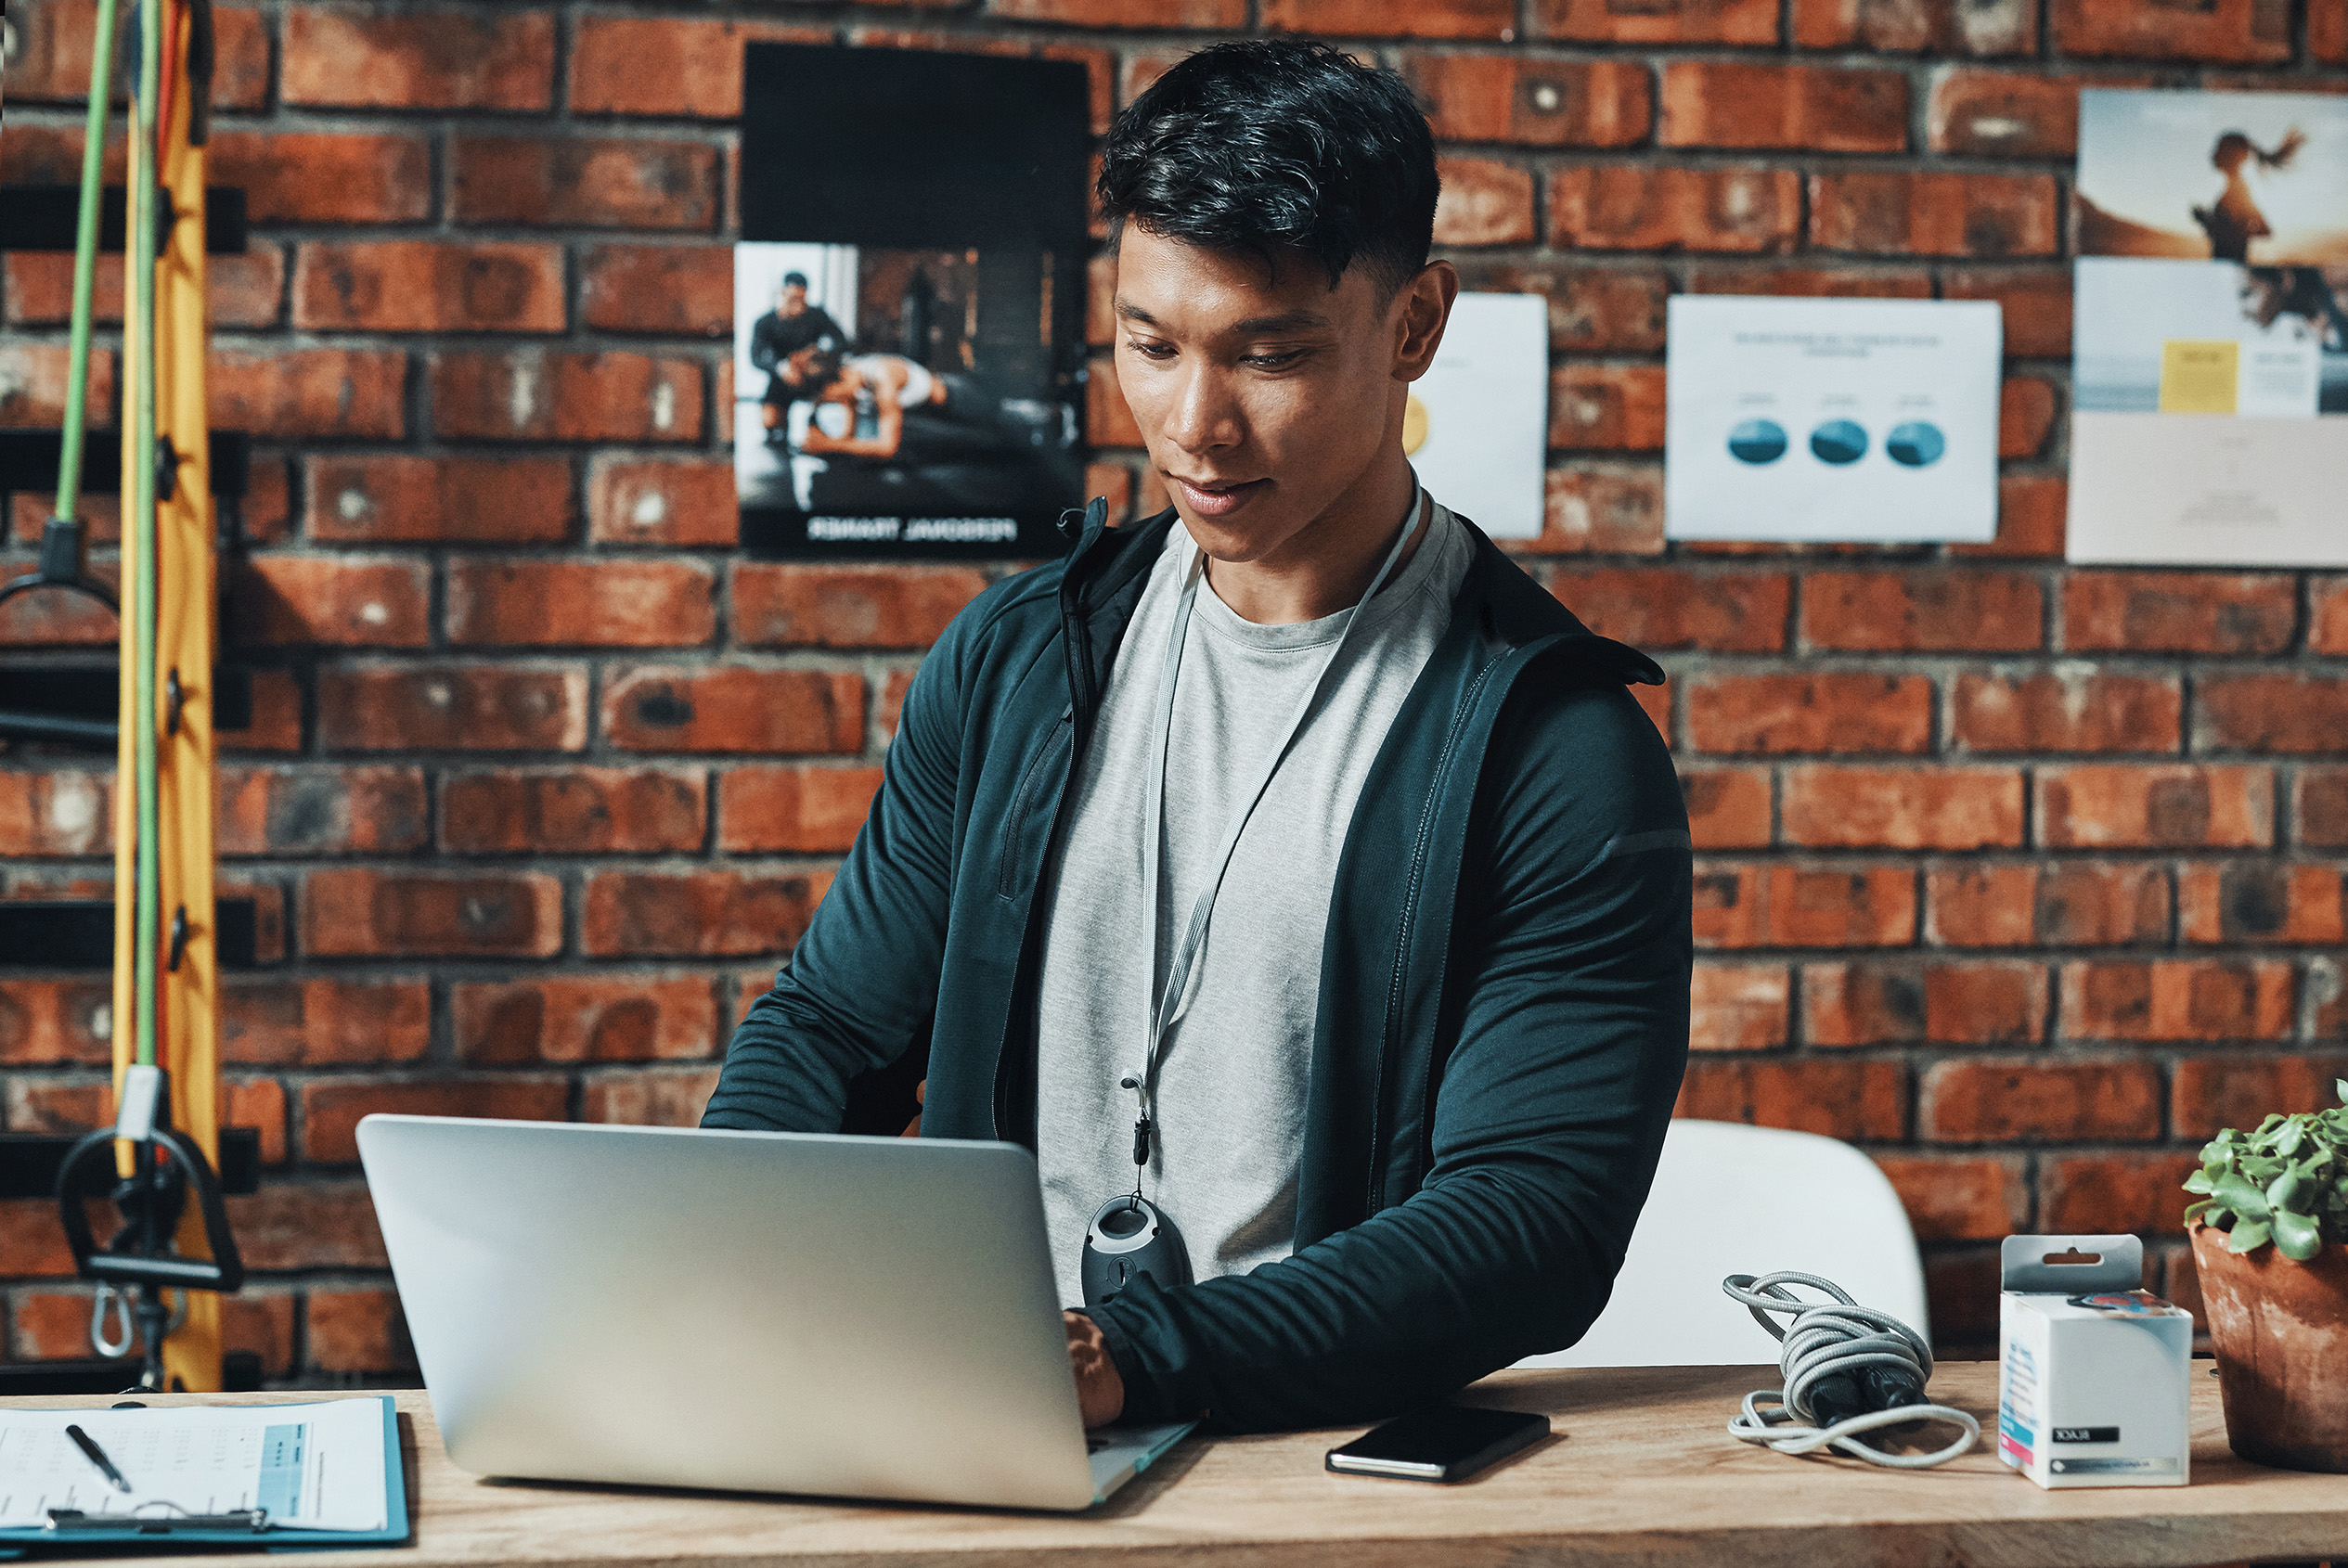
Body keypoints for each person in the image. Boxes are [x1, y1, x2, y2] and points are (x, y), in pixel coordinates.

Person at [703, 40, 1691, 1434]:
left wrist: (1135, 1358)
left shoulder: (1552, 745)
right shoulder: (1014, 660)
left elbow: (1531, 1220)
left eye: (1269, 353)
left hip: (1311, 1457)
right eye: (1149, 344)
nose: (1191, 423)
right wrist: (707, 1254)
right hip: (981, 1425)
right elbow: (829, 1032)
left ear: (1412, 326)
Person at [750, 272, 846, 434]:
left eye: (799, 298)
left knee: (837, 394)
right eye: (791, 297)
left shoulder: (817, 316)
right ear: (782, 293)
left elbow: (842, 341)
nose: (795, 303)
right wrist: (781, 368)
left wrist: (816, 354)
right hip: (781, 379)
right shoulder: (765, 322)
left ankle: (816, 420)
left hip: (813, 378)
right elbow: (756, 357)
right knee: (770, 421)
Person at [2193, 127, 2307, 263]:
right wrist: (2209, 221)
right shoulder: (2236, 189)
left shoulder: (2237, 191)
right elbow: (2237, 227)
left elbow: (2264, 230)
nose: (2213, 154)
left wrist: (2207, 221)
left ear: (2231, 156)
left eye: (2219, 149)